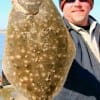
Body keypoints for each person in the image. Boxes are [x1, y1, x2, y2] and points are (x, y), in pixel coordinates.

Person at [54, 0, 100, 100]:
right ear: (62, 6)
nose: (77, 4)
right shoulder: (52, 36)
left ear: (90, 4)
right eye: (70, 0)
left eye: (83, 0)